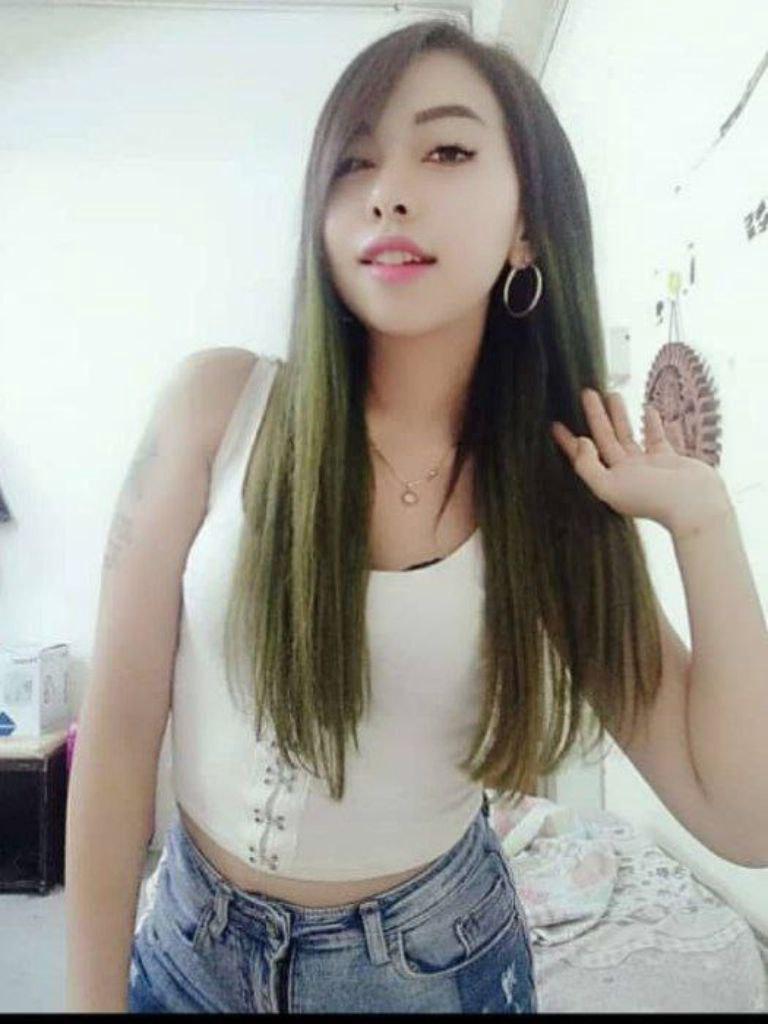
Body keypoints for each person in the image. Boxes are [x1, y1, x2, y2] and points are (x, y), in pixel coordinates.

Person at [65, 15, 748, 1016]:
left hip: (431, 973)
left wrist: (705, 526)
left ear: (527, 223)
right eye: (354, 161)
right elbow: (119, 732)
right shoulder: (216, 407)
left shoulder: (553, 488)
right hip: (186, 954)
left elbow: (740, 816)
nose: (387, 190)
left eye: (447, 151)